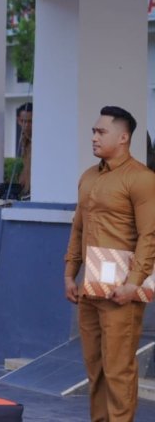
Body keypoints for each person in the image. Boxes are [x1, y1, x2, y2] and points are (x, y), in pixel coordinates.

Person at [64, 106, 155, 422]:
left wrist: (134, 284)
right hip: (89, 290)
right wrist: (68, 274)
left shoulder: (142, 179)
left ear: (124, 137)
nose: (93, 137)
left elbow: (149, 235)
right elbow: (78, 227)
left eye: (101, 132)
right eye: (93, 131)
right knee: (95, 369)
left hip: (122, 292)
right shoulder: (88, 177)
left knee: (118, 371)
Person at [16, 102, 33, 197]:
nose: (26, 125)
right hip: (25, 193)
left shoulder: (39, 142)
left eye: (30, 121)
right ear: (18, 120)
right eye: (23, 121)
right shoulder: (23, 140)